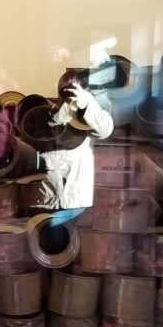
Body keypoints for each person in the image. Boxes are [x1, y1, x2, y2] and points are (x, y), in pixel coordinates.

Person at [36, 70, 114, 225]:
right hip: (53, 184)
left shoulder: (89, 108)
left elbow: (104, 130)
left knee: (55, 223)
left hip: (74, 184)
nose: (70, 92)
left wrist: (85, 104)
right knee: (56, 225)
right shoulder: (57, 110)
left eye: (75, 88)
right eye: (66, 88)